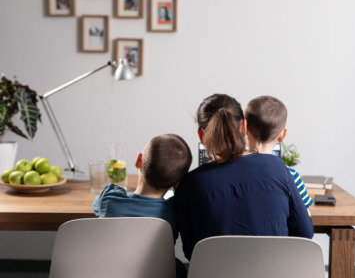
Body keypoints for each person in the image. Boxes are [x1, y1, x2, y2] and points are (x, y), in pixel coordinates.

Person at [174, 94, 313, 261]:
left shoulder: (188, 184)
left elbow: (191, 252)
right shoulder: (277, 168)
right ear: (244, 127)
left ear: (200, 135)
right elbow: (305, 234)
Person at [93, 134, 192, 277]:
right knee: (178, 267)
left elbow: (96, 206)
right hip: (154, 273)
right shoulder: (174, 212)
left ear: (139, 160)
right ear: (177, 183)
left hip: (113, 272)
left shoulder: (110, 198)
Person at [244, 95, 313, 212]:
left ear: (244, 128)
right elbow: (304, 217)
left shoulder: (230, 172)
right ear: (282, 135)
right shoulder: (291, 177)